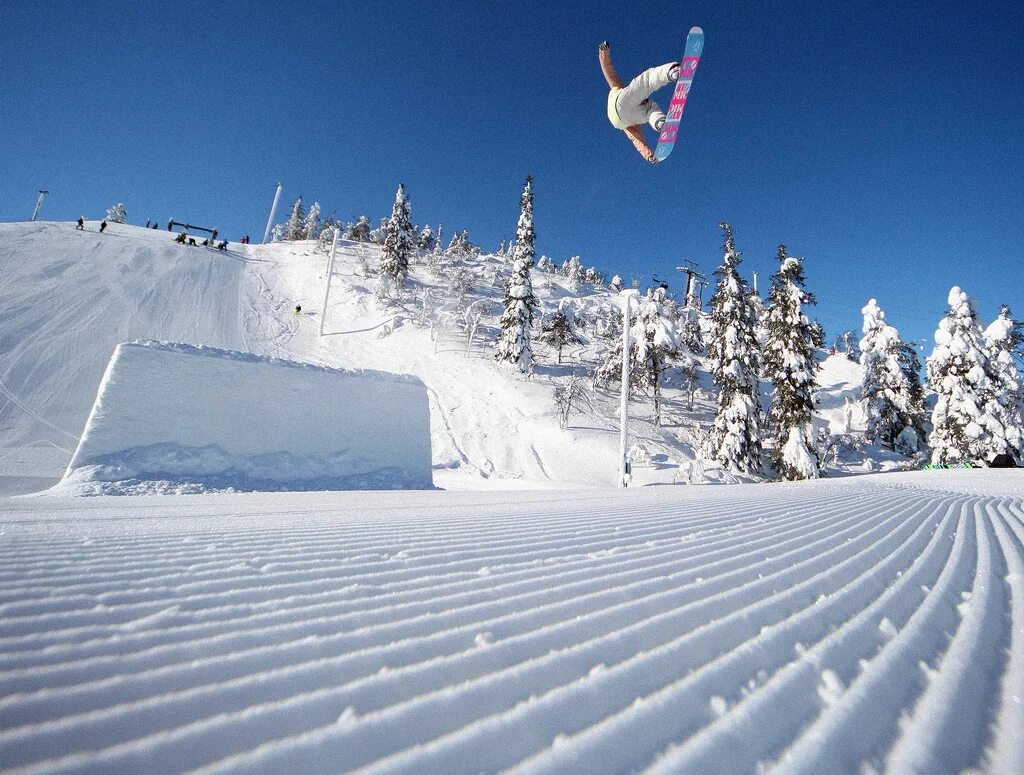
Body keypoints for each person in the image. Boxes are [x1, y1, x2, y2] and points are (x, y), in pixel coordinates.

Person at [598, 41, 680, 163]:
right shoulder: (618, 88)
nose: (644, 100)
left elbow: (636, 139)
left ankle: (660, 123)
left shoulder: (631, 124)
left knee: (649, 109)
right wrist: (604, 51)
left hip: (619, 121)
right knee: (646, 81)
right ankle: (671, 72)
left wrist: (649, 155)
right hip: (619, 103)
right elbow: (608, 71)